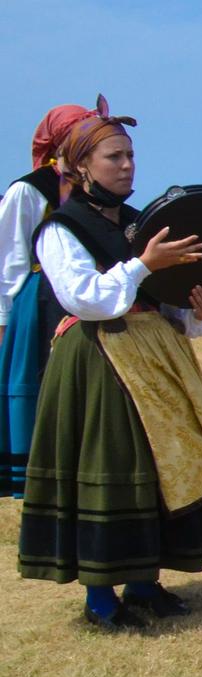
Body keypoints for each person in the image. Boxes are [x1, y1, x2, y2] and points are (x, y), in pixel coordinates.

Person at [17, 104, 202, 629]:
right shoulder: (60, 228)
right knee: (113, 468)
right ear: (79, 165)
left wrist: (198, 310)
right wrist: (144, 264)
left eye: (131, 155)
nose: (126, 165)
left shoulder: (146, 224)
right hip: (99, 360)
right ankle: (100, 596)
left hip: (154, 355)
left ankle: (144, 582)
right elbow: (86, 298)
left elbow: (166, 299)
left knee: (159, 467)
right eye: (113, 156)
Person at [0, 100, 91, 497]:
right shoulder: (28, 190)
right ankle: (34, 476)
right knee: (36, 380)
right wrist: (5, 319)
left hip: (82, 297)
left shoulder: (96, 187)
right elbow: (8, 256)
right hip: (37, 302)